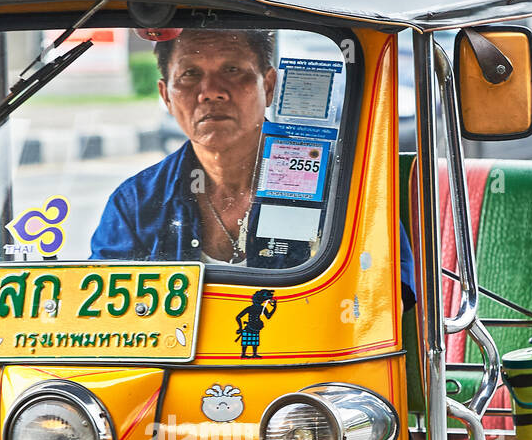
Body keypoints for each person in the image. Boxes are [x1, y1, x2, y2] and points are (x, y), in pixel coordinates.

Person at [90, 27, 417, 300]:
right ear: (166, 96)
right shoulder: (135, 204)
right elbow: (103, 318)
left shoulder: (342, 187)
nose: (211, 92)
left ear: (269, 86)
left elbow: (385, 301)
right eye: (190, 74)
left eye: (232, 71)